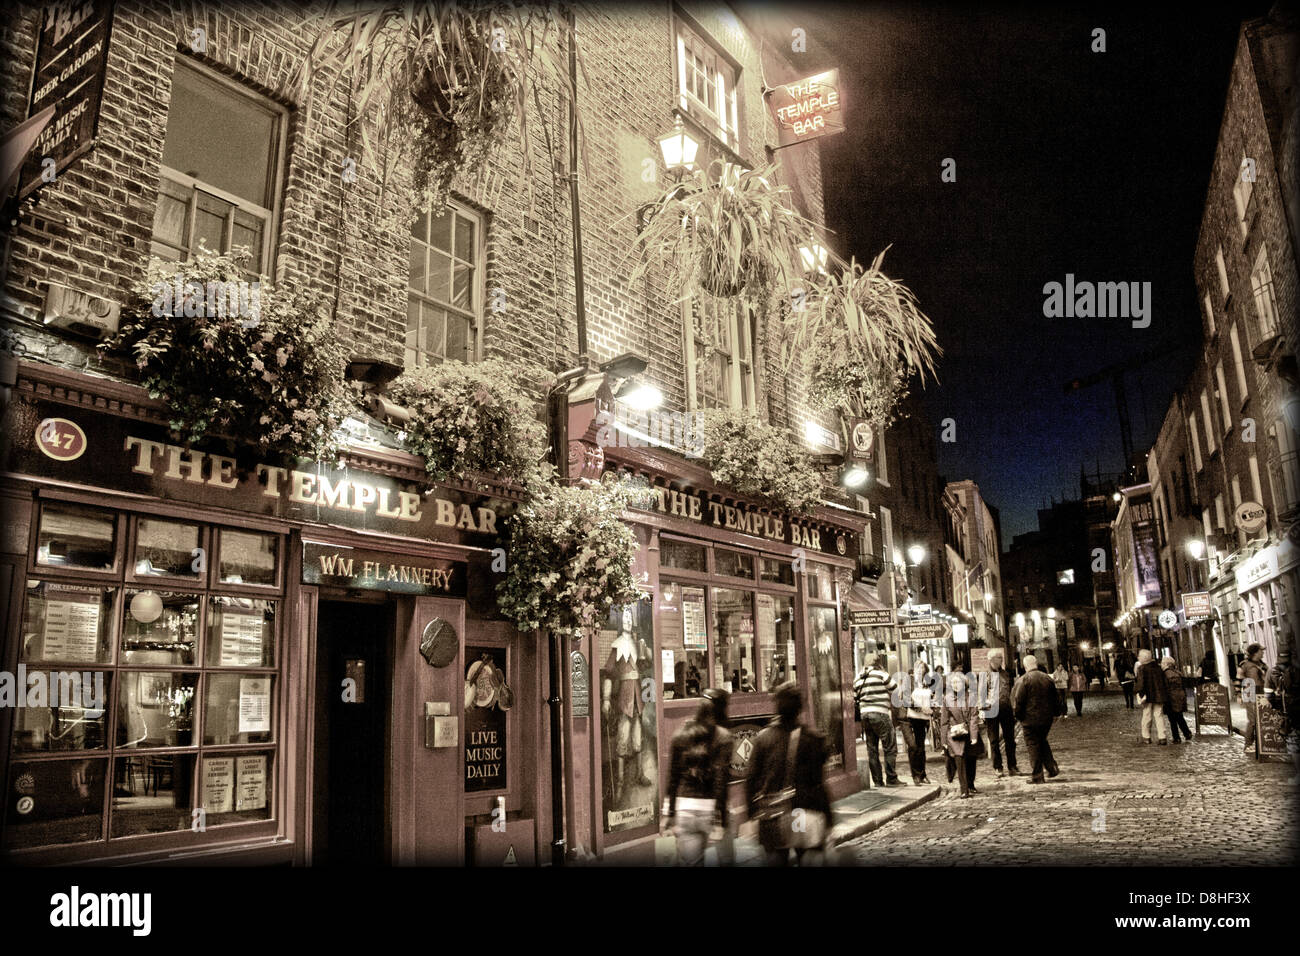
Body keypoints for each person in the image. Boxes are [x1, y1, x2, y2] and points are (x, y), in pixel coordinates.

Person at [746, 682, 831, 866]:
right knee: (808, 857)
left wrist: (751, 815)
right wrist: (828, 817)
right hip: (803, 812)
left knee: (776, 858)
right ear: (800, 707)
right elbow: (818, 783)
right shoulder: (814, 739)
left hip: (773, 815)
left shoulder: (763, 739)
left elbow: (751, 780)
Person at [664, 690, 733, 865]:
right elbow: (720, 779)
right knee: (726, 860)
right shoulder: (723, 736)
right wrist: (721, 818)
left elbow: (673, 778)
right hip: (711, 807)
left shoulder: (681, 734)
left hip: (685, 807)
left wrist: (669, 813)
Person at [853, 655, 902, 787]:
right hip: (880, 713)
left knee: (872, 749)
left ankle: (878, 781)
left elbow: (854, 696)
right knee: (890, 746)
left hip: (865, 716)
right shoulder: (881, 674)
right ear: (878, 663)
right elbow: (895, 688)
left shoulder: (857, 677)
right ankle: (891, 779)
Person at [1011, 654, 1059, 783]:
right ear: (1036, 664)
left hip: (1029, 719)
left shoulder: (1023, 680)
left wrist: (1018, 716)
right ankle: (1051, 767)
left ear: (1025, 666)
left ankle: (1037, 775)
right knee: (1042, 740)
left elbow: (1018, 701)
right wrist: (1056, 714)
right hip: (1046, 718)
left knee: (1033, 745)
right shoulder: (1047, 678)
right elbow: (1055, 698)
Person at [939, 673, 985, 798]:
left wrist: (974, 736)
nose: (955, 685)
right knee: (959, 759)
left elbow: (973, 718)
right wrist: (943, 740)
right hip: (954, 734)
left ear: (964, 684)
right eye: (953, 683)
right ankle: (964, 789)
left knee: (971, 759)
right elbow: (944, 721)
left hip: (969, 732)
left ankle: (970, 784)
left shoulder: (971, 697)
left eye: (958, 682)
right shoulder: (947, 699)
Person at [1263, 639, 1300, 784]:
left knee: (1294, 744)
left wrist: (1278, 708)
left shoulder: (1272, 671)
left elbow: (1268, 695)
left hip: (1288, 713)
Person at [981, 649, 1019, 776]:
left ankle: (1012, 766)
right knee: (994, 740)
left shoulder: (1005, 673)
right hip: (991, 710)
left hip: (1006, 708)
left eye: (1001, 658)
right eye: (999, 658)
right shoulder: (985, 675)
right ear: (991, 659)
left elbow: (1011, 691)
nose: (1002, 660)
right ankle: (998, 767)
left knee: (1010, 739)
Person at [901, 660, 933, 785]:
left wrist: (932, 707)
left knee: (921, 747)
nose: (920, 671)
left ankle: (922, 774)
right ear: (914, 669)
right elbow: (906, 700)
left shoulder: (926, 683)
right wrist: (922, 708)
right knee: (913, 746)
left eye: (923, 669)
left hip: (922, 718)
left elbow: (932, 698)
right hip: (908, 718)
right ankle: (915, 775)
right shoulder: (908, 681)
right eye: (918, 668)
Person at [1134, 648, 1170, 745]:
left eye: (1140, 656)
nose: (1138, 658)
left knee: (1147, 716)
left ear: (1144, 658)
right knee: (1159, 716)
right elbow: (1164, 682)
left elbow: (1140, 684)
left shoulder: (1141, 669)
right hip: (1159, 696)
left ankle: (1146, 737)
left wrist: (1139, 694)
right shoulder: (1158, 668)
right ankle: (1162, 737)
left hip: (1147, 696)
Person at [1238, 643, 1269, 754]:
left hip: (1262, 692)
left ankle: (1261, 743)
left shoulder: (1262, 664)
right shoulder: (1245, 665)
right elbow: (1238, 679)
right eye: (1261, 650)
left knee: (1262, 719)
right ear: (1256, 652)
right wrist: (1238, 694)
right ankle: (1248, 744)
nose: (1263, 652)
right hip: (1250, 693)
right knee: (1252, 720)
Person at [1161, 656, 1192, 744]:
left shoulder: (1165, 674)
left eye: (1163, 663)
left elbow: (1165, 687)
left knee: (1172, 719)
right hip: (1180, 696)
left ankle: (1176, 737)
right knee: (1179, 716)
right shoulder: (1178, 673)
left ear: (1167, 664)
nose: (1161, 665)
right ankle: (1187, 733)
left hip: (1170, 698)